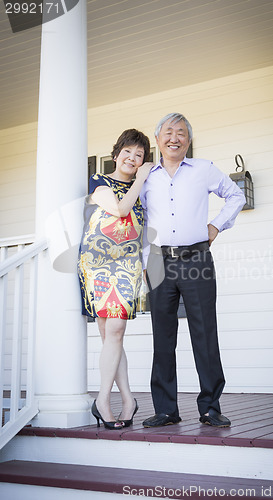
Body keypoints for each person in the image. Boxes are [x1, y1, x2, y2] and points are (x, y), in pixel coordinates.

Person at [140, 113, 246, 428]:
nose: (175, 138)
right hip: (159, 262)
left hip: (197, 259)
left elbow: (235, 195)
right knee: (162, 336)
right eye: (169, 132)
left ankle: (211, 407)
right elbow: (142, 220)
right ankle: (165, 409)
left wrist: (215, 225)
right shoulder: (146, 177)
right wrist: (146, 260)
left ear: (188, 139)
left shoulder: (204, 169)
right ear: (157, 139)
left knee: (204, 333)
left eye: (182, 133)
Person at [78, 129, 153, 429]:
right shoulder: (100, 181)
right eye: (128, 152)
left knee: (116, 332)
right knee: (112, 336)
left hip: (128, 264)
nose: (132, 159)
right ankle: (119, 400)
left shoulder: (142, 190)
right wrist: (141, 180)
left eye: (139, 156)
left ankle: (107, 400)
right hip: (97, 263)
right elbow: (120, 210)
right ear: (116, 153)